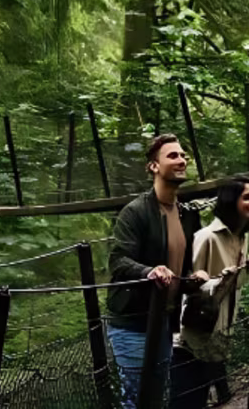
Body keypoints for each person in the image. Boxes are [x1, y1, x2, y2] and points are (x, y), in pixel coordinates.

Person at [107, 134, 203, 408]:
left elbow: (180, 269)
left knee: (156, 397)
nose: (182, 160)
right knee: (137, 399)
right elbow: (118, 261)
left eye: (183, 155)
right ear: (153, 167)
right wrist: (150, 270)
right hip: (133, 324)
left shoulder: (187, 214)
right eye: (173, 156)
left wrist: (194, 279)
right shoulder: (134, 212)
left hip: (163, 322)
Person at [170, 179, 249, 408]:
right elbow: (189, 285)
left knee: (208, 397)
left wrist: (243, 271)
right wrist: (219, 280)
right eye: (247, 197)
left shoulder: (243, 237)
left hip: (220, 333)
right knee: (187, 400)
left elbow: (235, 285)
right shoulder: (207, 237)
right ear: (232, 202)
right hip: (193, 336)